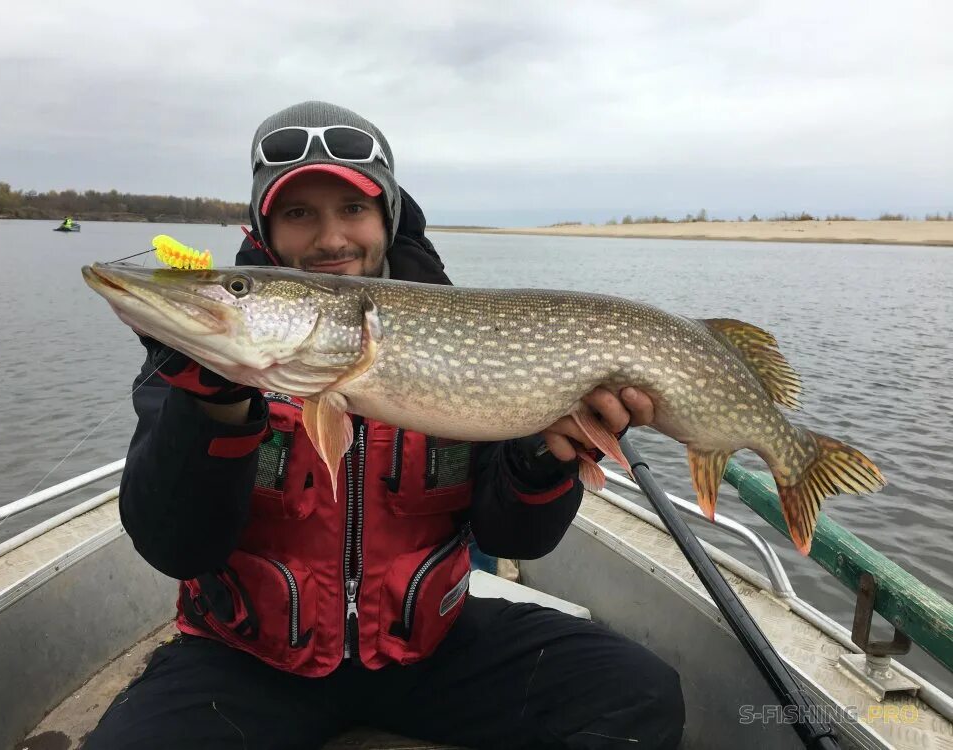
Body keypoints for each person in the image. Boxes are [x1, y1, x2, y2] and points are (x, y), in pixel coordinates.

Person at [85, 101, 685, 750]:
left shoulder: (471, 340)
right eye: (298, 213)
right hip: (247, 660)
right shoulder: (194, 364)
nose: (331, 239)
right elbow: (176, 548)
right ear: (265, 229)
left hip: (430, 650)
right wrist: (211, 410)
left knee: (641, 693)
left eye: (352, 210)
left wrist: (545, 458)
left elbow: (513, 535)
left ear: (386, 216)